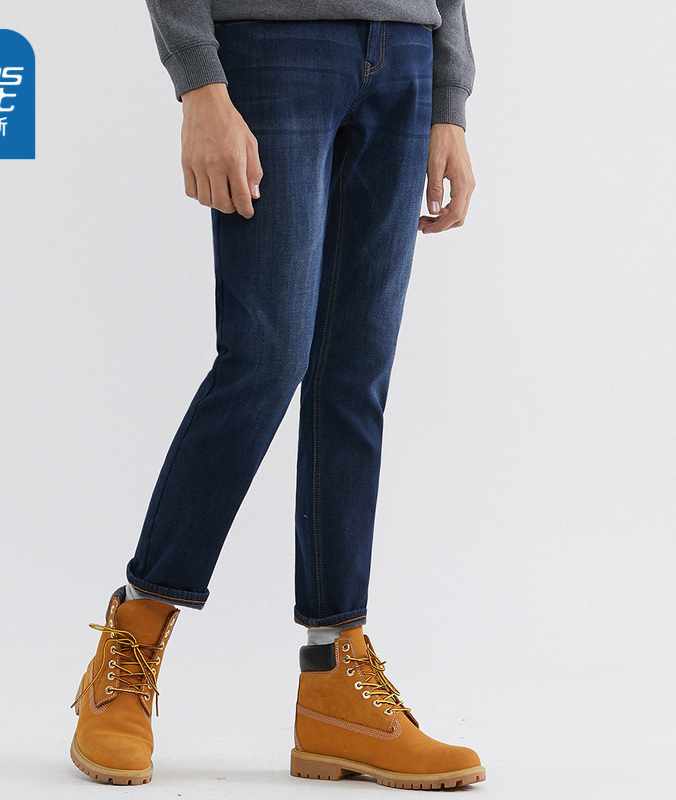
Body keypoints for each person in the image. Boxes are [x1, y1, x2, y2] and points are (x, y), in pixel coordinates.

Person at [69, 0, 484, 790]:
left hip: (406, 48)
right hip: (273, 42)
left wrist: (449, 94)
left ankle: (336, 680)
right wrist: (200, 82)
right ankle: (134, 634)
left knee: (355, 373)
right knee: (265, 358)